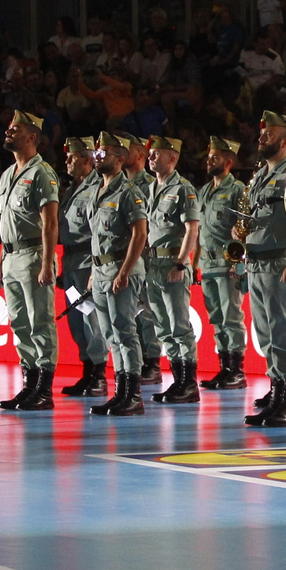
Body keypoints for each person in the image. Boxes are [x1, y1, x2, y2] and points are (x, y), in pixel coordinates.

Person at [243, 112, 286, 427]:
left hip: (280, 261)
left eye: (268, 135)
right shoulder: (260, 175)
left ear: (284, 141)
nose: (261, 138)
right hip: (255, 261)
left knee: (283, 332)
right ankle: (276, 395)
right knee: (266, 334)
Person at [0, 111, 61, 411]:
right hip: (11, 256)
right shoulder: (8, 175)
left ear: (32, 137)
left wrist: (48, 264)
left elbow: (49, 223)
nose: (8, 132)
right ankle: (29, 383)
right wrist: (0, 259)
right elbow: (7, 221)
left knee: (40, 323)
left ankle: (44, 389)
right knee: (19, 324)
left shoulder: (42, 173)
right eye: (8, 128)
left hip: (34, 256)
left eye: (15, 129)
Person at [86, 133, 151, 417]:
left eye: (105, 154)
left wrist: (124, 270)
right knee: (110, 334)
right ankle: (119, 391)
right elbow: (96, 237)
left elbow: (140, 233)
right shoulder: (97, 191)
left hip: (121, 269)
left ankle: (133, 394)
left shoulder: (128, 192)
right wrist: (93, 271)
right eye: (97, 155)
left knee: (125, 331)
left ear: (120, 160)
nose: (98, 159)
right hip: (101, 270)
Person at [146, 137, 203, 403]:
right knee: (162, 326)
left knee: (179, 325)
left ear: (173, 159)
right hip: (153, 265)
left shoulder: (183, 188)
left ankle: (188, 383)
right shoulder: (150, 189)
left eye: (157, 154)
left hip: (172, 263)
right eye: (150, 154)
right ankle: (177, 379)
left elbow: (192, 228)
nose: (151, 158)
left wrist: (181, 263)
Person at [56, 137, 111, 399]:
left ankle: (99, 375)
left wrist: (94, 271)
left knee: (93, 321)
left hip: (88, 261)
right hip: (70, 263)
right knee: (77, 321)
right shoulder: (70, 190)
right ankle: (87, 371)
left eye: (72, 157)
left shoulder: (96, 188)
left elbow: (98, 233)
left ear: (87, 160)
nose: (67, 161)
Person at [196, 137, 249, 390]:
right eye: (209, 156)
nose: (209, 160)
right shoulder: (204, 191)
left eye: (215, 157)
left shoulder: (237, 189)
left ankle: (236, 370)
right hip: (207, 264)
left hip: (228, 264)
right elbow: (198, 230)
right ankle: (224, 366)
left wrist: (238, 263)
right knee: (216, 318)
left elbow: (242, 229)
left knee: (231, 317)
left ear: (228, 162)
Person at [121, 135, 163, 386]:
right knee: (129, 312)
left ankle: (152, 362)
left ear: (139, 155)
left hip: (146, 257)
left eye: (127, 150)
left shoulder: (149, 185)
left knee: (147, 311)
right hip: (124, 256)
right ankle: (135, 361)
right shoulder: (118, 184)